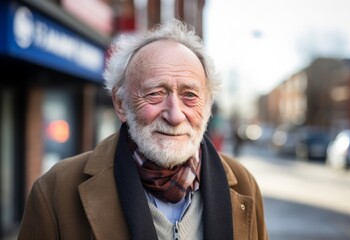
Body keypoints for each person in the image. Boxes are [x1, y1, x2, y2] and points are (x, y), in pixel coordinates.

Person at [18, 19, 268, 240]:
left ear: (207, 106)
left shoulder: (243, 184)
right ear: (120, 104)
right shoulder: (56, 190)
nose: (175, 115)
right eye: (155, 94)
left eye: (189, 95)